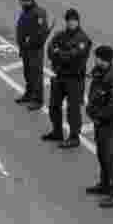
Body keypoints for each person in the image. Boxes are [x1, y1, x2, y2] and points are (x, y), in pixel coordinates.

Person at [85, 45, 113, 208]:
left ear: (105, 59)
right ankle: (104, 185)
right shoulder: (99, 72)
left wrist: (99, 116)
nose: (95, 60)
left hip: (108, 125)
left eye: (97, 57)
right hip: (99, 123)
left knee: (112, 159)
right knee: (102, 155)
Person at [42, 8, 92, 148]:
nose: (71, 23)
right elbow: (51, 49)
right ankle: (57, 132)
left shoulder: (83, 39)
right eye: (69, 21)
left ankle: (74, 137)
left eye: (74, 21)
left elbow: (75, 57)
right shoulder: (61, 35)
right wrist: (59, 54)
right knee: (53, 106)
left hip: (75, 79)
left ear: (78, 21)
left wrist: (60, 53)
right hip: (60, 76)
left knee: (73, 110)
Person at [14, 0, 50, 110]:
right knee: (27, 73)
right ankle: (29, 94)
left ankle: (38, 100)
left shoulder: (39, 13)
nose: (19, 3)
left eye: (20, 1)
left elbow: (42, 33)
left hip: (34, 50)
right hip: (25, 49)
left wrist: (30, 42)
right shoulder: (26, 11)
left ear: (26, 1)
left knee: (36, 75)